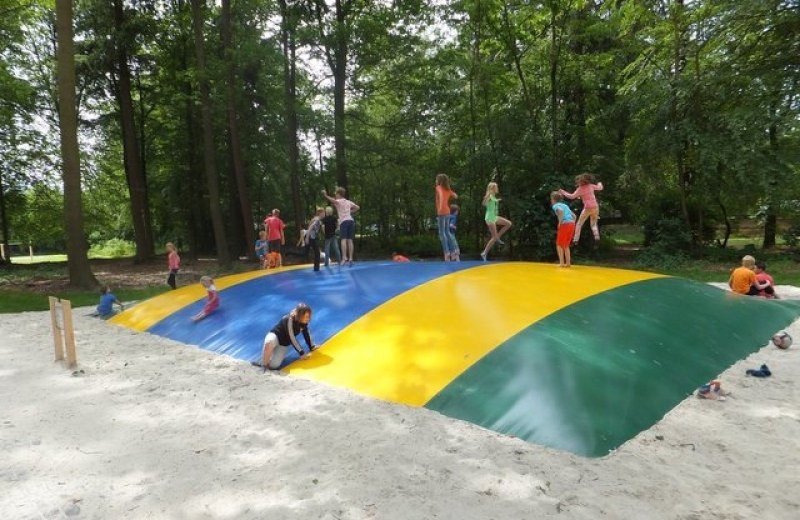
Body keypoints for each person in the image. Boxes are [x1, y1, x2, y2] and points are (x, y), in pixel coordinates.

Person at [255, 303, 318, 371]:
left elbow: (306, 333)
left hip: (283, 344)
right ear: (300, 315)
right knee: (269, 342)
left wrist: (312, 346)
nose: (308, 319)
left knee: (274, 366)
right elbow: (291, 337)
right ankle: (264, 366)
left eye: (308, 316)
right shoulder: (288, 319)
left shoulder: (304, 322)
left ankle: (267, 357)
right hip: (275, 336)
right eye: (306, 317)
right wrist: (301, 353)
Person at [559, 173, 603, 245]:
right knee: (593, 224)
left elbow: (571, 196)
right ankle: (597, 237)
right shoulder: (590, 186)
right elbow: (600, 188)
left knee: (579, 224)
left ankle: (575, 239)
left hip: (587, 208)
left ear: (580, 182)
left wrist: (563, 192)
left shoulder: (580, 189)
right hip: (595, 207)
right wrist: (600, 183)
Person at [322, 187, 360, 266]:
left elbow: (332, 200)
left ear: (339, 194)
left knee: (343, 240)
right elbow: (357, 207)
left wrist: (325, 195)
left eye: (336, 194)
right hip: (351, 221)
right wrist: (350, 212)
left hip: (344, 222)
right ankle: (351, 258)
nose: (335, 195)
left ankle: (344, 258)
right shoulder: (348, 201)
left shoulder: (339, 201)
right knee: (350, 240)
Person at [480, 182, 512, 261]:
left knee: (508, 223)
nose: (497, 188)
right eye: (496, 187)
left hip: (494, 217)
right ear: (493, 188)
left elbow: (492, 202)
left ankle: (497, 237)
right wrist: (488, 195)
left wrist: (497, 200)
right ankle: (484, 252)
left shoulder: (493, 196)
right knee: (494, 237)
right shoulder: (490, 196)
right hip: (490, 218)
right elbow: (484, 203)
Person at [435, 174, 459, 261]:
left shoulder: (438, 187)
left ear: (440, 181)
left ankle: (446, 252)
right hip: (447, 211)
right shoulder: (448, 189)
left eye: (436, 179)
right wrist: (450, 193)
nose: (436, 181)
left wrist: (440, 207)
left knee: (442, 233)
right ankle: (453, 251)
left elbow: (441, 196)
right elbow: (456, 196)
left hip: (441, 211)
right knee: (447, 232)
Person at [551, 191, 576, 267]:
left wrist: (560, 222)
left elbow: (560, 212)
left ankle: (561, 263)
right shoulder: (565, 205)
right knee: (566, 245)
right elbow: (574, 216)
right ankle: (568, 263)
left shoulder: (555, 206)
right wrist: (572, 223)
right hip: (572, 224)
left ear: (553, 200)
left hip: (565, 224)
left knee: (559, 244)